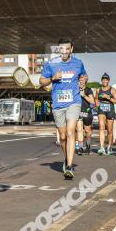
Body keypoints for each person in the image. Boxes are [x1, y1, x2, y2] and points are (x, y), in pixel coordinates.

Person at [39, 38, 87, 179]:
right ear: (58, 50)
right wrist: (53, 78)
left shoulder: (78, 63)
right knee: (63, 137)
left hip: (74, 101)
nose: (64, 51)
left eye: (67, 48)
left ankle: (70, 167)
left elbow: (84, 76)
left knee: (71, 132)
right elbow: (41, 81)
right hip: (58, 104)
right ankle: (66, 159)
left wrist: (84, 81)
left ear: (71, 49)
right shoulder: (52, 64)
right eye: (62, 49)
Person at [95, 73, 116, 155]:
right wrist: (97, 102)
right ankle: (101, 147)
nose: (105, 81)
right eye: (103, 80)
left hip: (110, 110)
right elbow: (96, 99)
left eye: (106, 80)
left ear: (108, 81)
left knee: (109, 130)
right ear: (101, 80)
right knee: (101, 127)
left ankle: (109, 147)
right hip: (101, 109)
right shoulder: (98, 90)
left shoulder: (112, 90)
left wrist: (109, 97)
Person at [77, 83, 95, 154]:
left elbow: (92, 101)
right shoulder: (75, 89)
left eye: (82, 80)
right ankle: (80, 147)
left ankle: (88, 145)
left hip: (87, 112)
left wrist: (84, 95)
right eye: (79, 80)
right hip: (78, 111)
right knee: (79, 130)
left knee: (87, 131)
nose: (81, 82)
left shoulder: (88, 90)